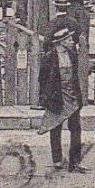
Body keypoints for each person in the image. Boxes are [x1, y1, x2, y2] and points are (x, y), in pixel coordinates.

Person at [38, 20, 87, 173]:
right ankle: (57, 160)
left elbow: (74, 76)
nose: (72, 42)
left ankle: (75, 162)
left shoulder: (72, 55)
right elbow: (43, 79)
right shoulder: (49, 57)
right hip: (57, 96)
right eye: (69, 39)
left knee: (76, 128)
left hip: (72, 95)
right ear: (61, 42)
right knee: (55, 128)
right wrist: (47, 98)